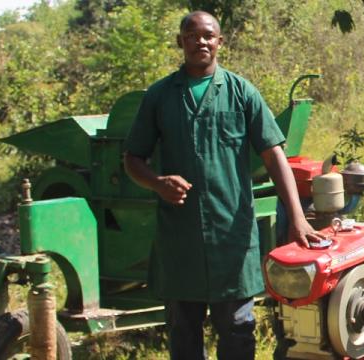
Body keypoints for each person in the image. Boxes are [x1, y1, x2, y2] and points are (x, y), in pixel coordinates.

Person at [123, 10, 323, 360]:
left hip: (231, 235)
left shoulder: (240, 91)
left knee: (237, 330)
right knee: (184, 332)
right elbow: (132, 159)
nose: (201, 41)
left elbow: (274, 156)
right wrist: (157, 183)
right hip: (180, 239)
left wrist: (297, 218)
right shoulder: (160, 96)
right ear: (180, 42)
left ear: (219, 42)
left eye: (208, 35)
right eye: (192, 35)